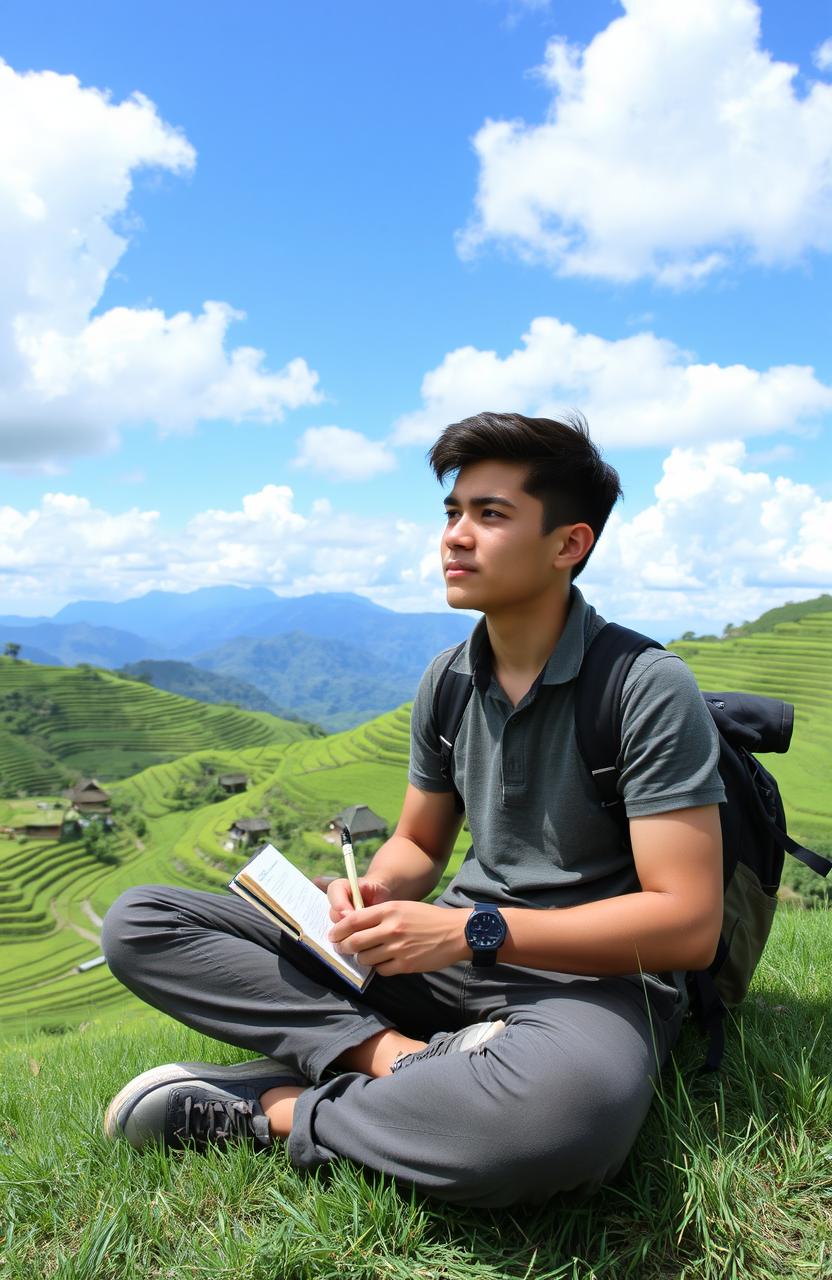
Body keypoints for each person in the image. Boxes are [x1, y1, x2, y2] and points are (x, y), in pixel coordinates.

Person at [101, 412, 725, 1207]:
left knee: (560, 1123)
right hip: (441, 966)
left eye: (490, 515)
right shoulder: (450, 678)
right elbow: (418, 846)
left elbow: (688, 924)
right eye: (452, 512)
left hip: (585, 981)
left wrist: (472, 931)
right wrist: (372, 893)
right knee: (142, 922)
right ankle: (394, 1062)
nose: (455, 537)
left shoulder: (644, 686)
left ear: (570, 544)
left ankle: (273, 1110)